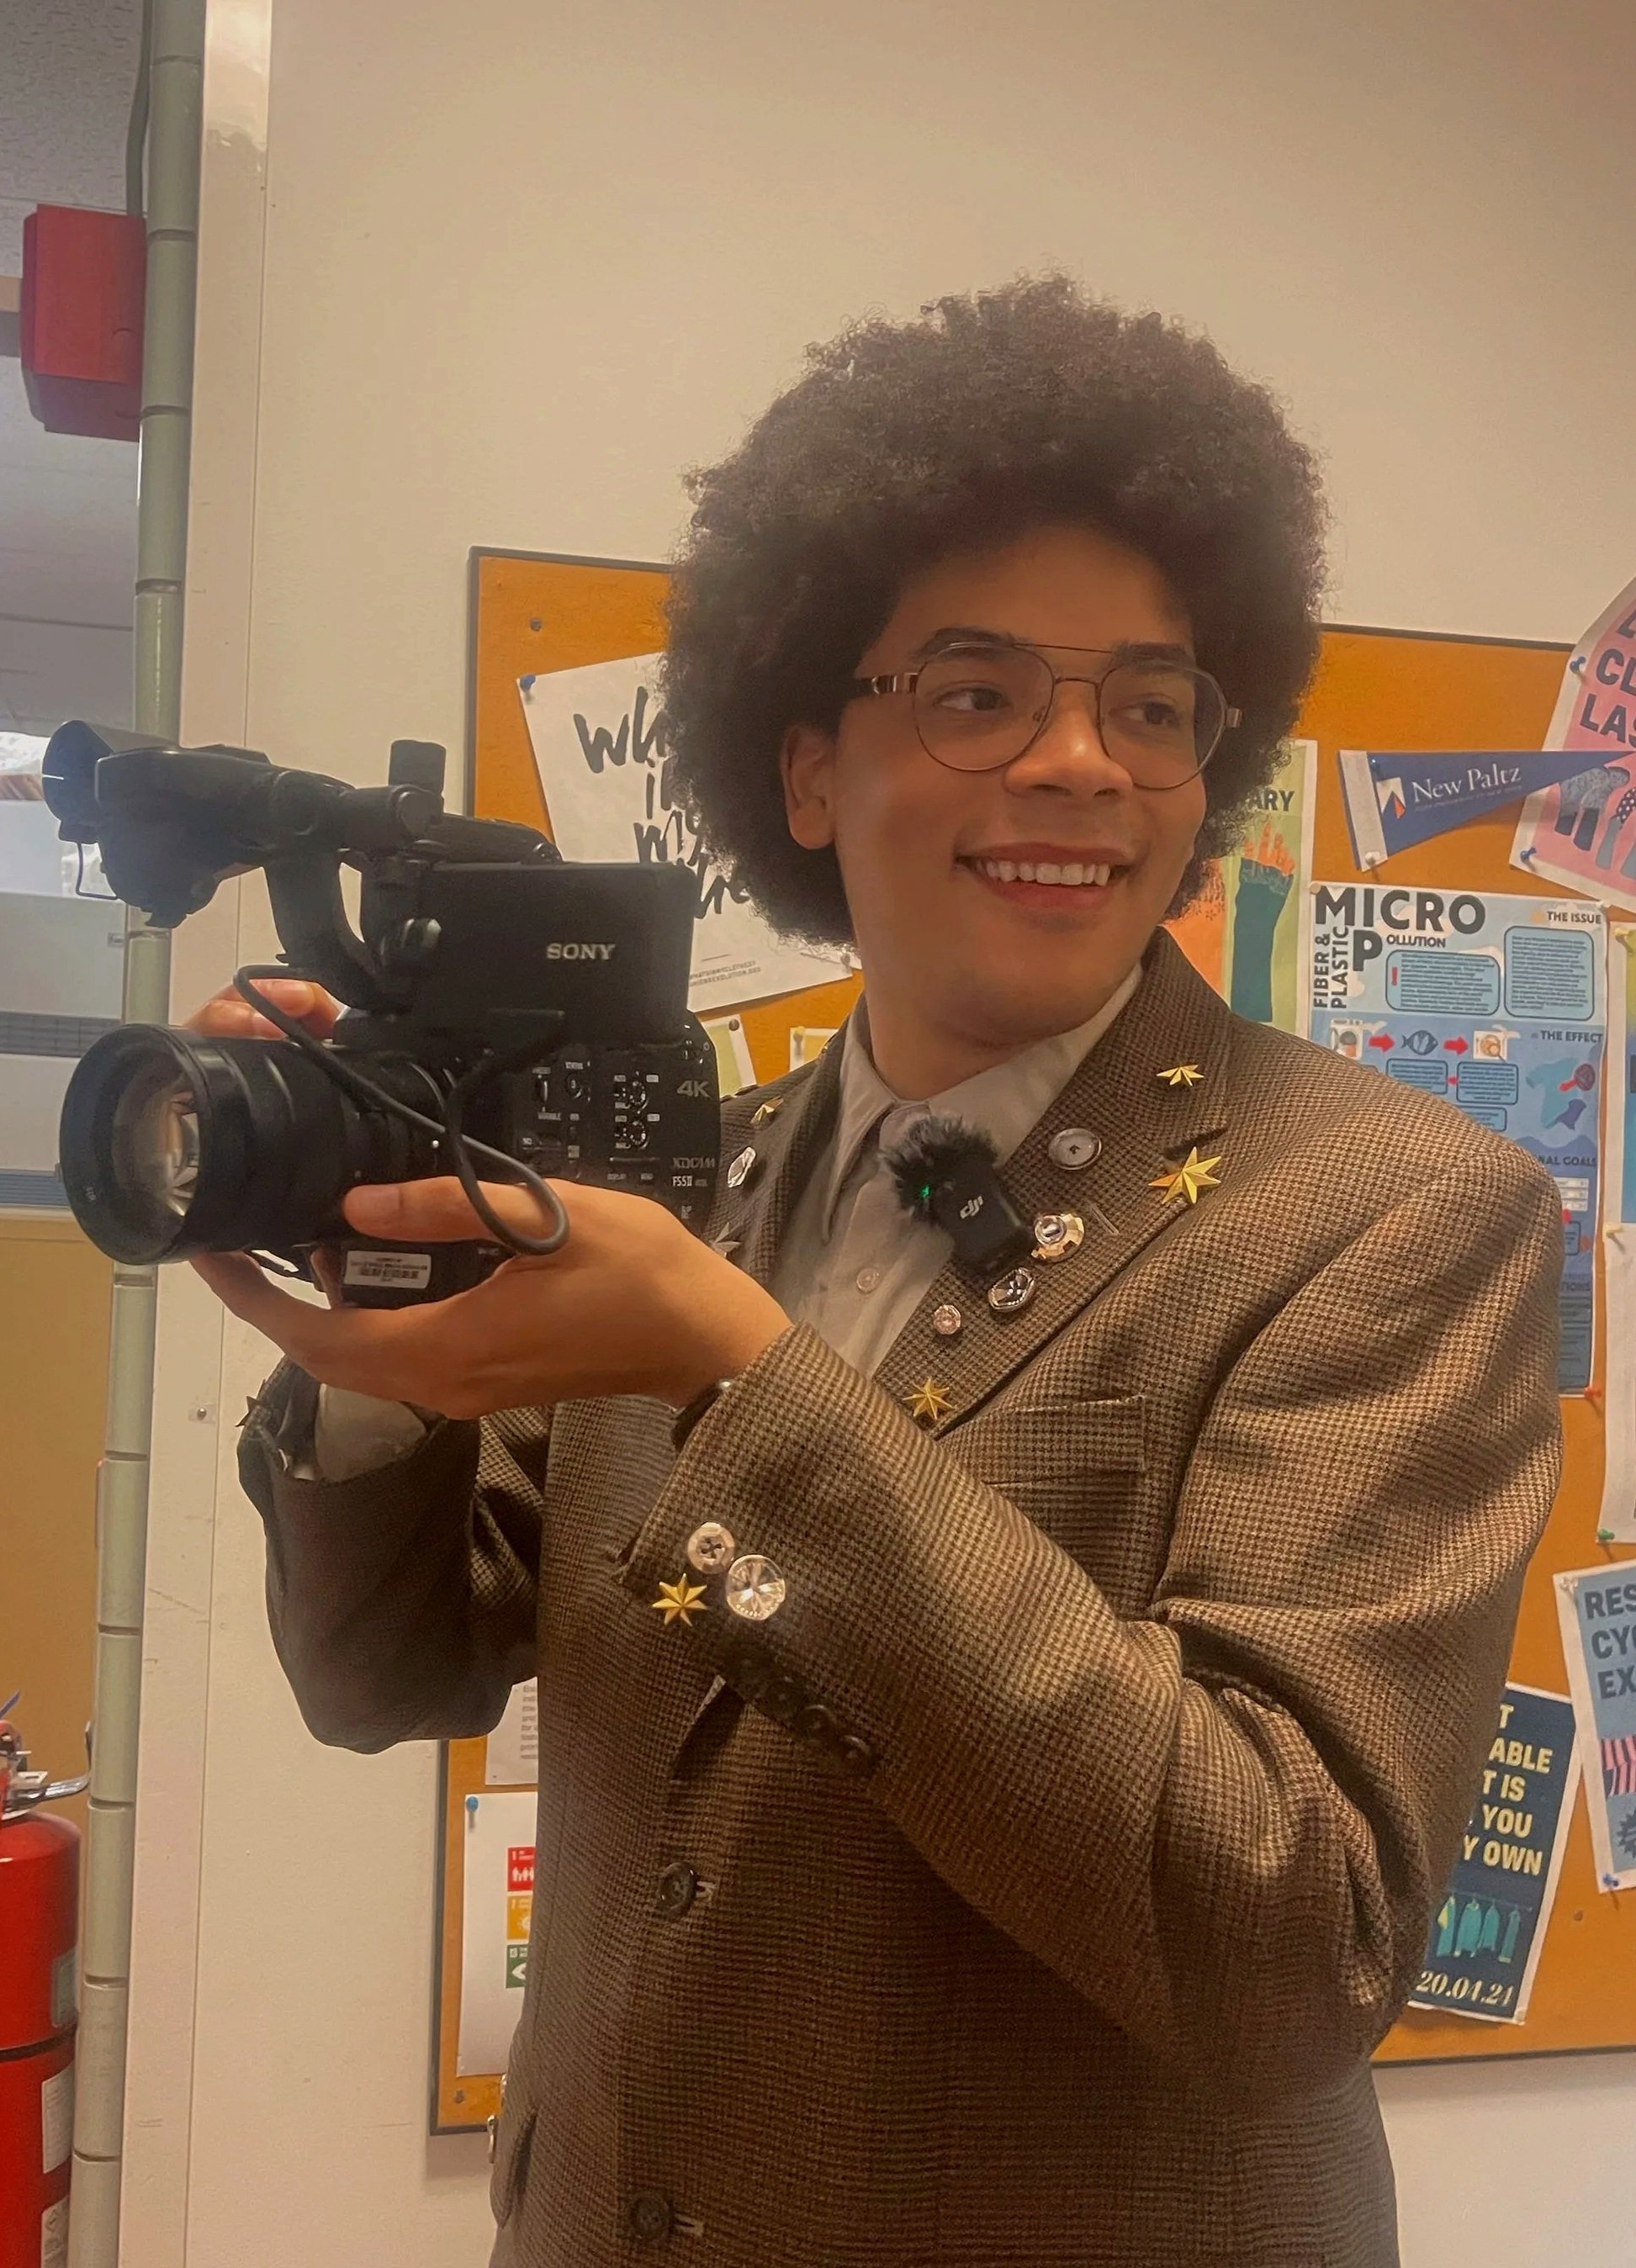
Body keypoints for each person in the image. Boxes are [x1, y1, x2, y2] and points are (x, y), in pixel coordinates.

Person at [193, 278, 1562, 2268]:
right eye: (977, 691)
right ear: (808, 768)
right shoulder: (693, 1184)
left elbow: (1289, 1933)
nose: (1083, 761)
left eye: (1151, 703)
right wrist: (369, 1292)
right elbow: (384, 1669)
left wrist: (740, 1373)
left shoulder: (1388, 1214)